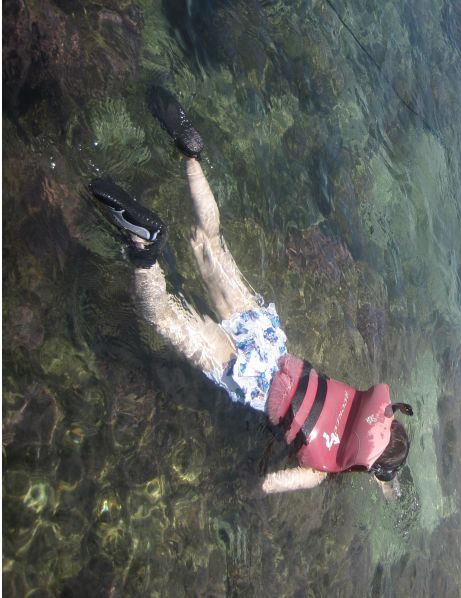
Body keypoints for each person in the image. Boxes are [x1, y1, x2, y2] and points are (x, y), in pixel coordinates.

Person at [89, 86, 413, 496]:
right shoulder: (322, 470)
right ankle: (145, 245)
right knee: (163, 316)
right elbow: (269, 482)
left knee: (210, 242)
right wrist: (252, 487)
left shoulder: (356, 403)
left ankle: (190, 154)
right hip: (246, 379)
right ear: (367, 465)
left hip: (268, 337)